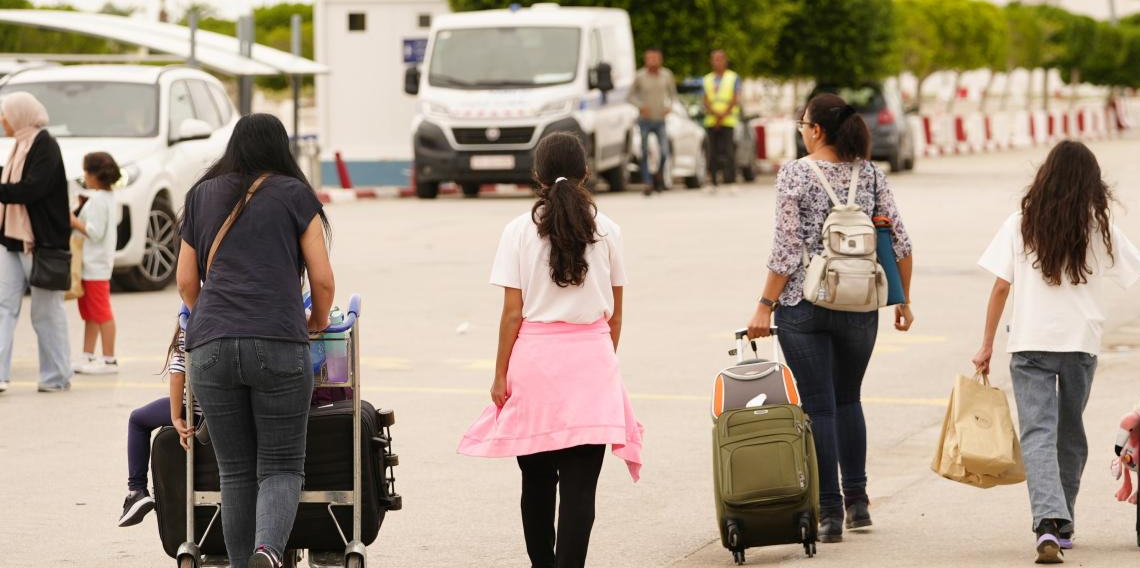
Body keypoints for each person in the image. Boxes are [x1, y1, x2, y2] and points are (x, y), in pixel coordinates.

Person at [458, 132, 644, 568]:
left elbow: (511, 315)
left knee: (537, 482)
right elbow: (615, 315)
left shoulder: (518, 231)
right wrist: (602, 362)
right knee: (581, 491)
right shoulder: (609, 229)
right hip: (592, 367)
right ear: (586, 173)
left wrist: (500, 374)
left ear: (536, 175)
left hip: (534, 368)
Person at [745, 93, 915, 543]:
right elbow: (900, 243)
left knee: (818, 405)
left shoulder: (796, 174)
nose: (801, 130)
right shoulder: (872, 173)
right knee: (848, 399)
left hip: (805, 306)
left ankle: (829, 513)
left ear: (816, 130)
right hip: (860, 304)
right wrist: (903, 300)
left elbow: (784, 250)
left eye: (803, 124)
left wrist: (765, 304)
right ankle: (858, 503)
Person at [176, 113, 334, 568]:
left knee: (236, 472)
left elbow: (187, 282)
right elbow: (322, 282)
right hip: (279, 341)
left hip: (209, 346)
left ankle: (245, 562)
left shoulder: (201, 194)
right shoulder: (294, 194)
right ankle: (269, 551)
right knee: (281, 466)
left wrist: (215, 312)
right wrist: (315, 322)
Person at [972, 140, 1140, 564]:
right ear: (1091, 182)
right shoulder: (1100, 228)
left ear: (1045, 176)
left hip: (1030, 344)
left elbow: (1000, 287)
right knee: (1070, 433)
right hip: (1081, 345)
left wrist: (987, 342)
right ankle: (1062, 522)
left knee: (1038, 435)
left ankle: (1048, 522)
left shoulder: (1020, 223)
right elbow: (1133, 273)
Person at [0, 91, 72, 393]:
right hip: (11, 239)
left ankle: (56, 376)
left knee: (46, 312)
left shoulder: (45, 146)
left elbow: (31, 189)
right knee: (3, 306)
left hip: (41, 243)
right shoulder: (19, 145)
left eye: (5, 114)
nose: (3, 120)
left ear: (19, 115)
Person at [118, 324, 201, 527]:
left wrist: (176, 417)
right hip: (240, 413)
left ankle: (137, 491)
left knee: (137, 420)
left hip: (197, 415)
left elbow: (177, 374)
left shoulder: (193, 317)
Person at [72, 152, 120, 374]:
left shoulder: (99, 200)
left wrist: (73, 220)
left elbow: (95, 232)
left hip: (95, 266)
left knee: (100, 313)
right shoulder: (106, 197)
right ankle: (88, 356)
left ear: (93, 175)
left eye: (85, 171)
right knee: (91, 313)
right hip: (94, 265)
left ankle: (109, 360)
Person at [628, 47, 679, 196]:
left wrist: (669, 107)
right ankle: (648, 182)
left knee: (664, 152)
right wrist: (640, 106)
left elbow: (673, 95)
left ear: (660, 59)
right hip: (644, 120)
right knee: (644, 152)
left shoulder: (666, 75)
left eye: (655, 58)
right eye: (649, 58)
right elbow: (630, 96)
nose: (652, 61)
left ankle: (658, 174)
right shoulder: (640, 76)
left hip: (660, 120)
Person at [702, 49, 741, 189]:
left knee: (728, 151)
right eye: (714, 59)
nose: (717, 62)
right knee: (711, 152)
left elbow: (735, 98)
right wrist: (715, 114)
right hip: (711, 120)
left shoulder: (733, 77)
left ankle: (730, 180)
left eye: (720, 59)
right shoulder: (707, 79)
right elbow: (705, 100)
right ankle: (712, 181)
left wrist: (723, 115)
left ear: (725, 61)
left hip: (728, 120)